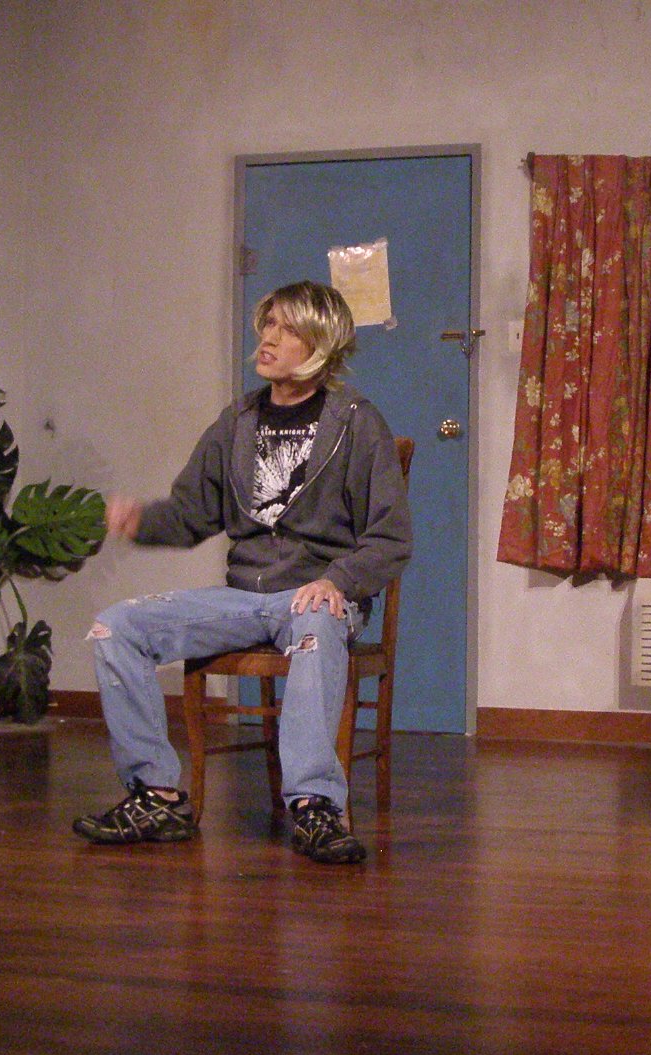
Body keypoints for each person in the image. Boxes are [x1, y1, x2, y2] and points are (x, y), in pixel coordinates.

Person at [73, 280, 411, 864]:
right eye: (267, 324)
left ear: (320, 343)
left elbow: (390, 536)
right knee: (115, 626)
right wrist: (140, 521)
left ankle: (314, 805)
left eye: (286, 328)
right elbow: (191, 513)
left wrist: (338, 580)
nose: (268, 338)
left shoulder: (356, 423)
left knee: (316, 622)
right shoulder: (238, 422)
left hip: (316, 594)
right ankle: (155, 794)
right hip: (243, 596)